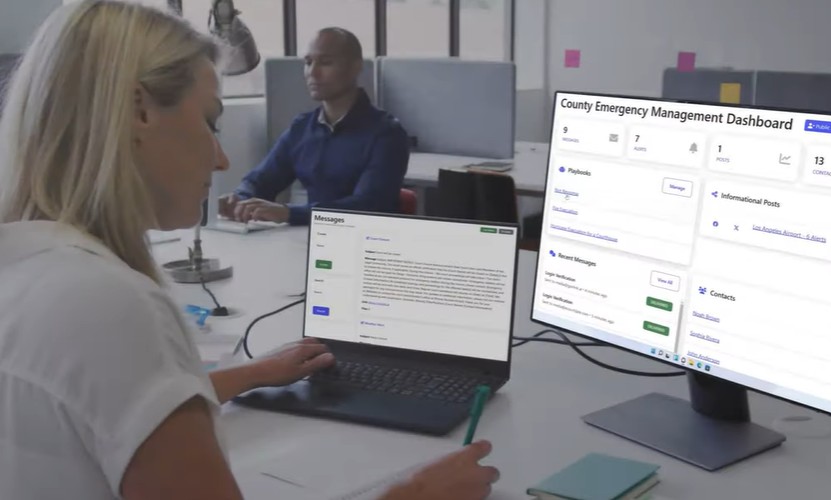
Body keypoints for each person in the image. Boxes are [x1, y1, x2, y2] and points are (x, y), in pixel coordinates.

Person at [0, 2, 497, 499]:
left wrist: (254, 374)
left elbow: (109, 398)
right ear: (139, 110)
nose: (221, 158)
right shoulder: (110, 306)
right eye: (211, 123)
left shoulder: (27, 267)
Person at [219, 27, 410, 226]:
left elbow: (367, 206)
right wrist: (241, 197)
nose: (313, 72)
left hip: (367, 244)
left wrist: (288, 213)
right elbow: (260, 180)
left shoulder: (387, 134)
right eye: (308, 62)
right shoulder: (302, 129)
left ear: (356, 67)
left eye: (326, 63)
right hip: (310, 242)